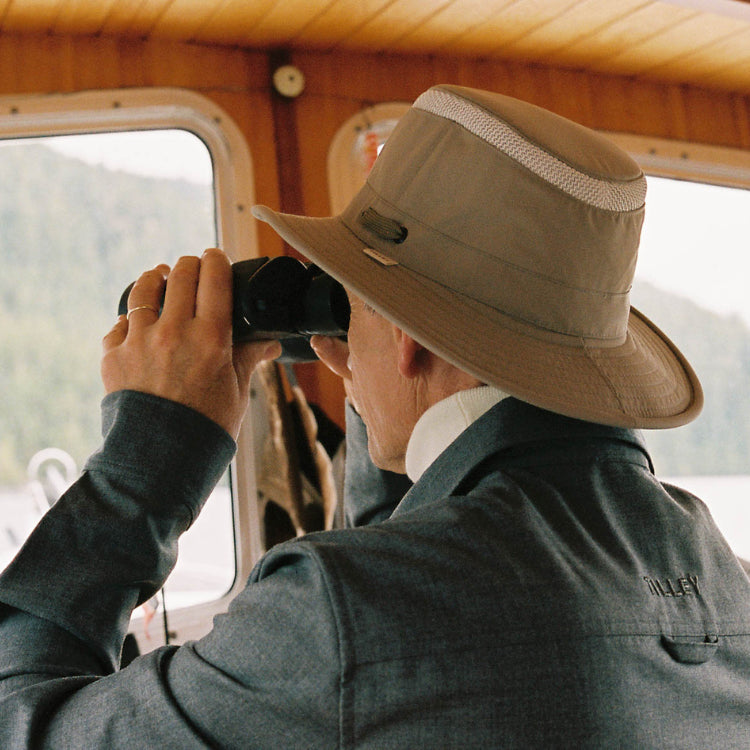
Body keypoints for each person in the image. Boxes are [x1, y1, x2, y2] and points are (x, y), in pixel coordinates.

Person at [1, 84, 749, 747]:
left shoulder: (339, 614)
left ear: (409, 337)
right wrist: (375, 373)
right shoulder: (729, 583)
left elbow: (22, 725)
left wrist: (145, 467)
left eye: (356, 305)